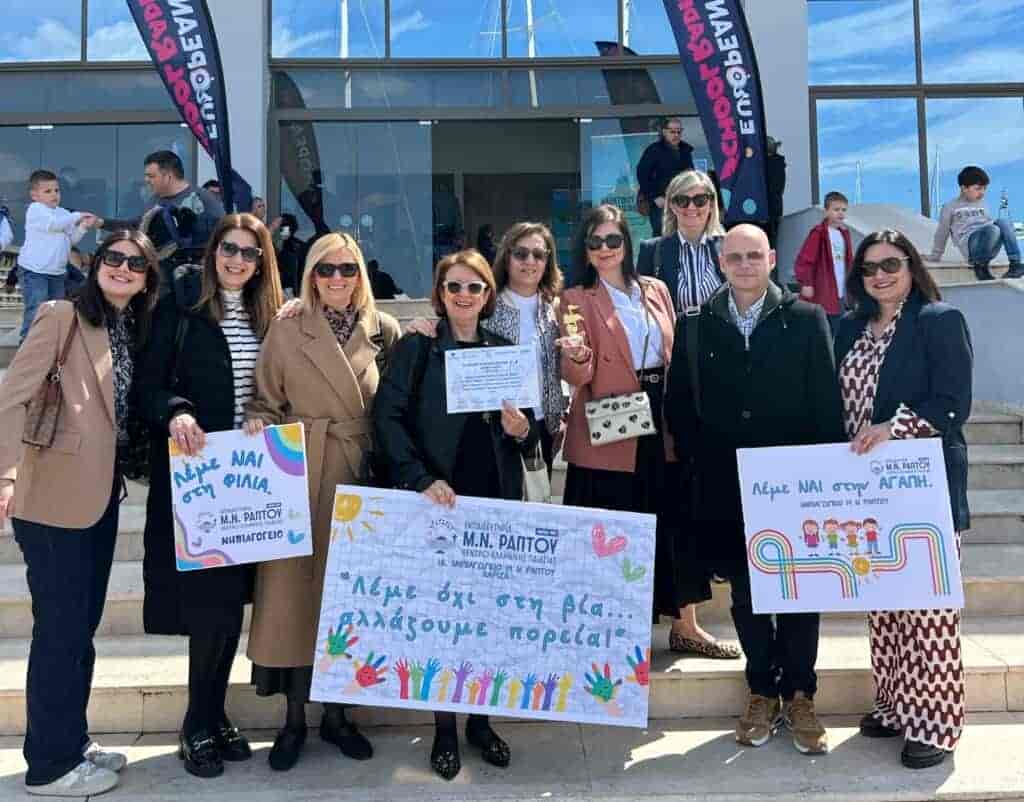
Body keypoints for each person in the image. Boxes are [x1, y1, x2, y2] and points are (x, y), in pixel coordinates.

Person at [664, 224, 844, 756]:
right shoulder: (695, 324)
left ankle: (802, 694)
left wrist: (825, 476)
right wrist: (701, 462)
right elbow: (679, 405)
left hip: (794, 484)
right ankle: (761, 689)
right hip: (726, 484)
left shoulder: (806, 319)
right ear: (721, 262)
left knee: (800, 593)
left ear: (771, 259)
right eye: (735, 257)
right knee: (746, 594)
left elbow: (825, 399)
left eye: (754, 256)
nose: (744, 265)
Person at [0, 230, 160, 796]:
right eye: (113, 258)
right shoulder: (61, 315)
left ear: (147, 278)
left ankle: (72, 740)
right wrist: (6, 473)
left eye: (135, 264)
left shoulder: (127, 327)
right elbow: (11, 397)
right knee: (59, 632)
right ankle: (48, 765)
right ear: (95, 265)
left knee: (80, 630)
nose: (122, 268)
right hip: (52, 500)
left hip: (98, 498)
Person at [374, 249, 539, 781]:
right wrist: (420, 478)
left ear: (487, 295)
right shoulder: (418, 347)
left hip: (493, 500)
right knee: (442, 619)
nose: (464, 296)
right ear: (440, 294)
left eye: (474, 287)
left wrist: (522, 429)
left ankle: (480, 723)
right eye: (454, 287)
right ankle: (444, 727)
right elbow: (388, 417)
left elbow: (531, 429)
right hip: (437, 499)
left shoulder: (503, 348)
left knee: (486, 619)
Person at [243, 233, 401, 771]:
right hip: (300, 476)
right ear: (311, 275)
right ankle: (293, 721)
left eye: (347, 269)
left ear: (361, 276)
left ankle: (338, 716)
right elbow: (264, 398)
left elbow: (399, 405)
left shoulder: (384, 330)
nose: (337, 279)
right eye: (326, 269)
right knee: (293, 602)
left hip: (360, 480)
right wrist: (258, 421)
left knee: (348, 599)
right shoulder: (286, 327)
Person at [136, 213, 283, 779]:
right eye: (229, 249)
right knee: (207, 607)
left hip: (252, 479)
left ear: (262, 262)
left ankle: (216, 715)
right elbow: (149, 386)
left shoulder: (271, 316)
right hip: (198, 479)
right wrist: (177, 412)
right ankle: (196, 723)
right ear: (212, 251)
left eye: (249, 252)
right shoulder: (181, 306)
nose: (237, 260)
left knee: (230, 607)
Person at [835, 229, 972, 769]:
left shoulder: (939, 320)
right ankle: (895, 706)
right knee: (885, 606)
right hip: (865, 492)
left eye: (891, 264)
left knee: (928, 611)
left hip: (924, 491)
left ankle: (935, 724)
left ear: (912, 266)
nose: (880, 275)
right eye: (869, 268)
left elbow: (954, 403)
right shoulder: (848, 327)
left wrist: (893, 428)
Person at [558, 204, 696, 650]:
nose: (604, 249)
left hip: (661, 410)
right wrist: (577, 357)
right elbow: (575, 374)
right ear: (584, 248)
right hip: (611, 412)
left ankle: (684, 625)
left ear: (627, 244)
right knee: (615, 520)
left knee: (668, 516)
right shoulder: (576, 297)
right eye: (594, 241)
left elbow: (673, 349)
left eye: (612, 240)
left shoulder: (655, 289)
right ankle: (612, 631)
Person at [635, 171, 737, 659]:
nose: (692, 207)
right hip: (671, 385)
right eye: (682, 199)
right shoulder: (653, 252)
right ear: (669, 205)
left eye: (701, 198)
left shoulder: (731, 247)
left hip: (722, 381)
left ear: (712, 202)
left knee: (714, 494)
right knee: (675, 496)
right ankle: (682, 620)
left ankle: (719, 583)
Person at [406, 222, 566, 472]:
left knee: (536, 494)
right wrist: (422, 325)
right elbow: (455, 324)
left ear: (548, 261)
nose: (530, 261)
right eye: (521, 253)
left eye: (538, 254)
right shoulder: (485, 304)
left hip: (543, 425)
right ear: (507, 257)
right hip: (494, 429)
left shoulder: (554, 308)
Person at [98, 151, 225, 288]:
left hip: (191, 281)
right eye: (146, 176)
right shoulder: (156, 199)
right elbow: (137, 227)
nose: (146, 180)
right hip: (159, 278)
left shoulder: (203, 200)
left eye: (151, 176)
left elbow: (223, 236)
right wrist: (101, 223)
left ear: (168, 176)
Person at [16, 169, 101, 342]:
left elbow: (71, 240)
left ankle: (49, 343)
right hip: (35, 271)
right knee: (37, 308)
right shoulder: (35, 209)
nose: (54, 194)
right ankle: (27, 343)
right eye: (47, 191)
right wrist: (77, 216)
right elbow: (53, 225)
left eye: (56, 190)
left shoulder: (63, 213)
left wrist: (83, 227)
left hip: (57, 273)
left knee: (56, 310)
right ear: (34, 195)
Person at [928, 165, 1023, 281]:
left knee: (1003, 222)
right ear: (964, 188)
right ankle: (980, 266)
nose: (982, 193)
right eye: (978, 189)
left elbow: (989, 223)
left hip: (989, 241)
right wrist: (935, 255)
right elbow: (942, 232)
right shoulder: (950, 207)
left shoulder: (982, 204)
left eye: (984, 189)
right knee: (992, 229)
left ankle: (1015, 264)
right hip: (971, 247)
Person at [794, 191, 854, 333]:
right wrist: (806, 283)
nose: (840, 213)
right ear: (826, 211)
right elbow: (805, 259)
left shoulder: (844, 234)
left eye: (843, 210)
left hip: (840, 292)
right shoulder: (819, 233)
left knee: (838, 328)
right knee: (822, 328)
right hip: (824, 291)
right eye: (836, 209)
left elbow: (849, 261)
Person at [636, 117, 695, 237]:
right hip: (661, 202)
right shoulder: (654, 150)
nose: (676, 135)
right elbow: (642, 174)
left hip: (681, 202)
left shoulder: (685, 150)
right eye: (672, 132)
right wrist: (654, 197)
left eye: (679, 132)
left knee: (682, 235)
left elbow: (690, 175)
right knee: (661, 235)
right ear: (664, 132)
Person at [765, 136, 787, 247]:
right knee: (773, 240)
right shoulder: (779, 163)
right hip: (776, 208)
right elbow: (780, 188)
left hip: (767, 209)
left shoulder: (766, 164)